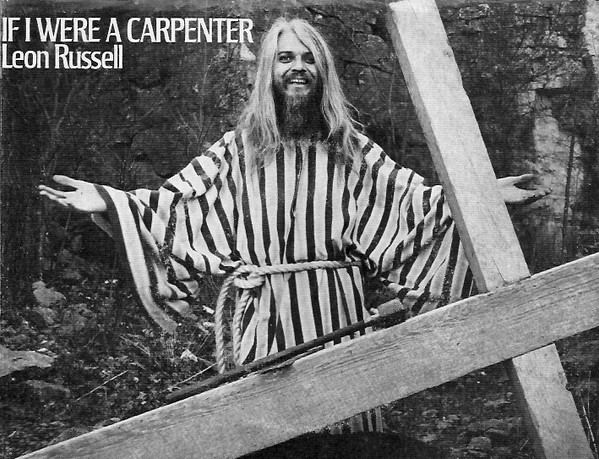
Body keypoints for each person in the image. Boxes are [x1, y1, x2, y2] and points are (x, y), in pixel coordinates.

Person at [39, 18, 542, 432]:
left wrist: (480, 196)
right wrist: (110, 201)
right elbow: (172, 206)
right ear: (268, 72)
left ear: (323, 74)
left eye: (308, 58)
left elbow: (417, 204)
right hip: (262, 319)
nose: (297, 67)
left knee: (345, 441)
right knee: (265, 438)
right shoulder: (235, 151)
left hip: (336, 316)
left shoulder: (352, 151)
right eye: (285, 58)